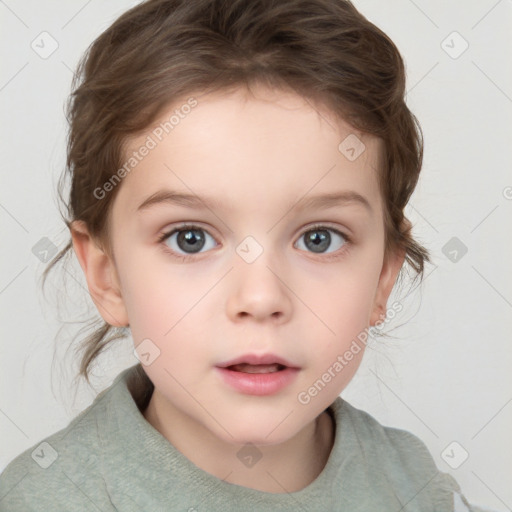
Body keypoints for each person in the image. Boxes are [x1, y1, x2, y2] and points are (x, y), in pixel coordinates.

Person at [0, 0, 493, 510]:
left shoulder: (413, 486)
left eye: (319, 238)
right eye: (189, 238)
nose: (260, 299)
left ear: (384, 275)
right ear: (107, 277)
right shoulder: (45, 499)